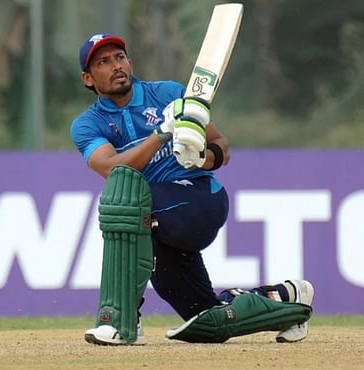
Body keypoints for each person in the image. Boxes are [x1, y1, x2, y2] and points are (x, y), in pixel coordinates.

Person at [70, 33, 314, 345]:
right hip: (158, 221)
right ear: (88, 79)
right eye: (103, 62)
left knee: (126, 203)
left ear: (130, 62)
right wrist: (161, 134)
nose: (116, 66)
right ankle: (287, 300)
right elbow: (112, 169)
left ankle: (122, 319)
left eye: (120, 57)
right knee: (209, 319)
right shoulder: (87, 124)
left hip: (199, 200)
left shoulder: (168, 94)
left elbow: (222, 148)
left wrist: (202, 157)